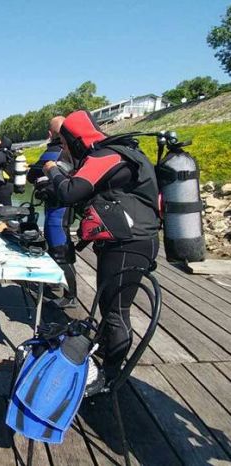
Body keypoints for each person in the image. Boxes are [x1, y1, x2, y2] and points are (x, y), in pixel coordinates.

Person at [43, 110, 159, 379]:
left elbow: (70, 192)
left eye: (64, 143)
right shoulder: (122, 152)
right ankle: (104, 361)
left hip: (127, 244)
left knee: (116, 313)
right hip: (134, 241)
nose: (63, 149)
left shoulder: (104, 155)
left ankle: (110, 375)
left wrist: (53, 171)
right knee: (110, 309)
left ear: (75, 139)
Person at [27, 116, 77, 309]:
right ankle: (55, 283)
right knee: (60, 245)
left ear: (52, 134)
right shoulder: (73, 151)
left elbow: (32, 175)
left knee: (59, 248)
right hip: (65, 205)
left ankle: (70, 295)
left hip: (57, 209)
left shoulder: (54, 151)